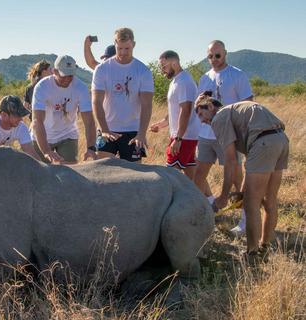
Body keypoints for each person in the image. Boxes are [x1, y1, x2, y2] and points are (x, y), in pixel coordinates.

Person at [195, 95, 288, 258]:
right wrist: (241, 192)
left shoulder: (220, 116)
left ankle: (252, 252)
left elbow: (231, 161)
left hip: (263, 143)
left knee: (251, 204)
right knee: (270, 200)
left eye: (201, 114)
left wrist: (223, 196)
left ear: (210, 106)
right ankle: (265, 246)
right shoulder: (237, 111)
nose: (202, 121)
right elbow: (248, 162)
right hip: (280, 140)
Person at [196, 40, 253, 234]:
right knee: (199, 176)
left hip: (229, 134)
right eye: (210, 56)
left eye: (217, 55)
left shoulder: (237, 75)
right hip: (205, 134)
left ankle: (246, 220)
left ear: (225, 54)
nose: (213, 59)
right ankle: (205, 213)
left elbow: (248, 103)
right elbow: (199, 104)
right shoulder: (205, 77)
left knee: (237, 178)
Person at [91, 27, 154, 162]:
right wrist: (104, 129)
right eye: (119, 48)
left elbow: (147, 105)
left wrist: (142, 133)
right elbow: (96, 101)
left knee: (135, 175)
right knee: (103, 172)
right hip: (107, 127)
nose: (123, 53)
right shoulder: (102, 69)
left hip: (132, 130)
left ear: (134, 45)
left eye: (127, 49)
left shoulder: (143, 71)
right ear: (115, 45)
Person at [31, 55, 96, 164]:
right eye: (63, 75)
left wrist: (90, 147)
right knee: (39, 175)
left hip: (67, 134)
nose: (67, 79)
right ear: (54, 71)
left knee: (69, 173)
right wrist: (46, 151)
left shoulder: (81, 88)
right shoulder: (42, 87)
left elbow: (89, 121)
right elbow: (37, 121)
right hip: (43, 134)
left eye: (70, 75)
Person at [149, 51, 201, 180]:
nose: (162, 70)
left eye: (164, 66)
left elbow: (186, 110)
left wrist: (178, 139)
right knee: (192, 178)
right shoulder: (175, 81)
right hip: (184, 136)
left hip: (184, 137)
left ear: (174, 63)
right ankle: (207, 199)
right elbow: (175, 111)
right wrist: (161, 125)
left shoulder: (184, 81)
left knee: (170, 176)